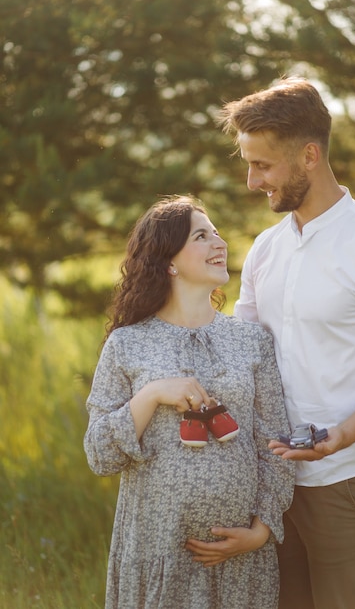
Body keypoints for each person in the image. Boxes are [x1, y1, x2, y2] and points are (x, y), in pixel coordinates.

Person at [217, 77, 355, 609]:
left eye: (262, 165)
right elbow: (244, 351)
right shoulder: (265, 249)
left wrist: (340, 435)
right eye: (249, 163)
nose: (251, 180)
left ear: (309, 155)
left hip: (347, 481)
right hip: (273, 480)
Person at [84, 195, 294, 609]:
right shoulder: (127, 344)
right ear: (169, 262)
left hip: (241, 563)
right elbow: (99, 454)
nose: (220, 243)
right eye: (202, 235)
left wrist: (262, 529)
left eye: (217, 232)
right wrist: (153, 394)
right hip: (157, 553)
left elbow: (276, 445)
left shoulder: (251, 340)